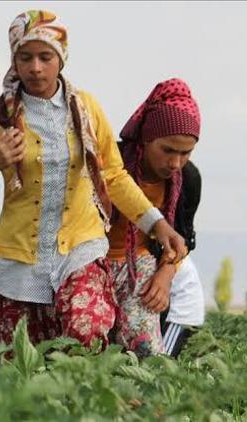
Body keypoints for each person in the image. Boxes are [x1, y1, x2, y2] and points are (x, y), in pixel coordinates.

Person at [0, 10, 185, 351]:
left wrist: (157, 224)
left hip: (80, 249)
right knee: (15, 365)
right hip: (18, 261)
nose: (35, 67)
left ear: (61, 58)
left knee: (87, 335)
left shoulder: (87, 110)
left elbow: (113, 175)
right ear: (14, 61)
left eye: (45, 56)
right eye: (25, 57)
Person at [107, 78, 201, 357]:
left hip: (154, 280)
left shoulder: (188, 179)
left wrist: (164, 275)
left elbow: (183, 239)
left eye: (186, 153)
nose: (175, 163)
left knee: (147, 359)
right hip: (103, 269)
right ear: (147, 138)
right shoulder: (114, 164)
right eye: (168, 150)